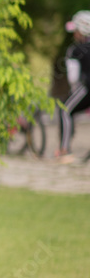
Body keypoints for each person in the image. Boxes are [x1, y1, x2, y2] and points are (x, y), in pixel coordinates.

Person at [56, 10, 90, 163]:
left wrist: (73, 92)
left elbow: (73, 78)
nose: (74, 34)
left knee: (64, 109)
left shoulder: (75, 50)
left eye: (75, 30)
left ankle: (64, 150)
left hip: (86, 88)